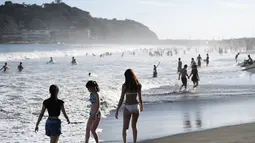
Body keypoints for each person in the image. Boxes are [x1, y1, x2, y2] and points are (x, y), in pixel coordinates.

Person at [115, 69, 143, 143]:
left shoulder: (125, 86)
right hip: (136, 107)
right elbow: (140, 97)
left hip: (128, 107)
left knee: (125, 128)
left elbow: (121, 98)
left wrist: (117, 110)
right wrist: (141, 106)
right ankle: (134, 142)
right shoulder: (138, 85)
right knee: (134, 127)